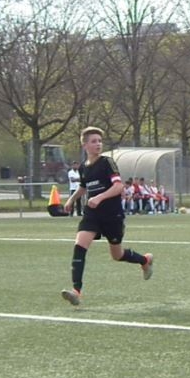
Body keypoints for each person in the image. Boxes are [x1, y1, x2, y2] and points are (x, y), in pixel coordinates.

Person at [60, 127, 153, 306]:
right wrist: (71, 199)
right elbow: (83, 187)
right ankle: (76, 291)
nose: (98, 144)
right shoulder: (83, 167)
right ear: (85, 145)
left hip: (112, 214)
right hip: (92, 214)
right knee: (79, 246)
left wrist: (100, 197)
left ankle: (145, 260)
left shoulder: (107, 162)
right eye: (94, 141)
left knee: (117, 255)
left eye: (100, 141)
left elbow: (118, 187)